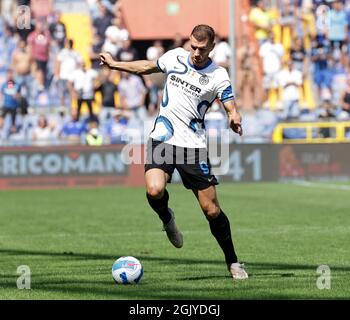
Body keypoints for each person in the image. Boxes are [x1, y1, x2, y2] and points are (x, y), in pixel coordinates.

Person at [100, 24, 248, 280]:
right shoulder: (176, 56)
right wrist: (115, 65)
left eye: (202, 49)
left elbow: (230, 104)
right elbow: (146, 66)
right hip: (163, 138)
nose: (196, 53)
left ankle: (233, 262)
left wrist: (234, 117)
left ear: (212, 47)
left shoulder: (218, 75)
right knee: (154, 189)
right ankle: (167, 218)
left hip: (193, 146)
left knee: (211, 210)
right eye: (193, 46)